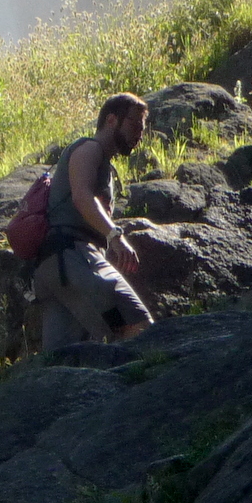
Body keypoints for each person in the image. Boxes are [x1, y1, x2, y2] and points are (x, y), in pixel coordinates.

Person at [32, 95, 154, 351]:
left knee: (63, 358)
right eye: (134, 125)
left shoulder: (104, 163)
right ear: (111, 119)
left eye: (142, 129)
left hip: (56, 272)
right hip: (74, 259)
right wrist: (114, 235)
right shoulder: (89, 148)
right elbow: (81, 196)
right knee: (137, 326)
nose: (139, 134)